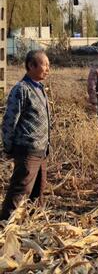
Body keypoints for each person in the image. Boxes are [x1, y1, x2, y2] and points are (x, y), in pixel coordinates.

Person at [0, 50, 51, 220]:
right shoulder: (21, 89)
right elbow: (9, 122)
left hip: (41, 151)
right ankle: (4, 225)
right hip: (27, 150)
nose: (48, 69)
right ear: (31, 66)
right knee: (20, 192)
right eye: (44, 65)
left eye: (48, 65)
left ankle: (31, 226)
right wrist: (8, 147)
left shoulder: (40, 88)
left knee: (37, 194)